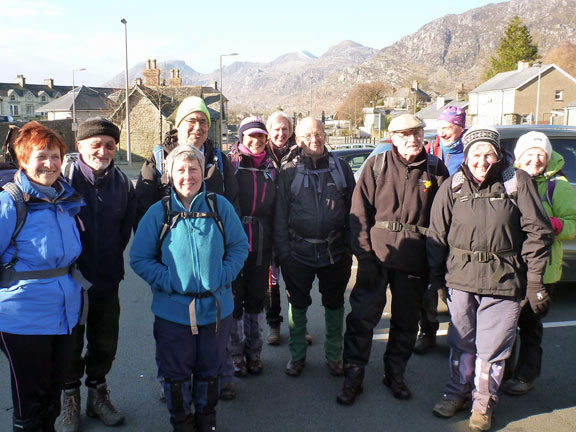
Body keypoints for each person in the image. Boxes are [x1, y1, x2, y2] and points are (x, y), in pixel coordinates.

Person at [428, 126, 554, 431]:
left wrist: (535, 281)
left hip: (503, 280)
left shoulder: (516, 181)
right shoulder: (453, 185)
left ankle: (483, 402)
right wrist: (434, 279)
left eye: (488, 154)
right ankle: (457, 392)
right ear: (466, 156)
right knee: (461, 342)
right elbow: (436, 233)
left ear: (498, 157)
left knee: (492, 348)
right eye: (475, 154)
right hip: (460, 279)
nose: (481, 161)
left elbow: (539, 232)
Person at [130, 145, 248, 432]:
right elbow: (139, 258)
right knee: (175, 375)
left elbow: (239, 246)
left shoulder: (220, 207)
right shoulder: (159, 212)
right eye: (180, 170)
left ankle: (207, 420)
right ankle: (181, 423)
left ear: (202, 173)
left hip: (216, 311)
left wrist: (223, 274)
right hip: (173, 313)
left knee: (210, 371)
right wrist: (170, 281)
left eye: (193, 169)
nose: (187, 176)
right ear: (169, 174)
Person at [337, 114, 449, 406]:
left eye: (416, 133)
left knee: (406, 321)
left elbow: (443, 220)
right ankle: (354, 374)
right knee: (362, 318)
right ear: (393, 138)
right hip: (376, 257)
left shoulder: (436, 169)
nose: (411, 139)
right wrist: (365, 254)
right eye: (404, 134)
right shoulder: (377, 165)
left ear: (423, 135)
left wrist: (434, 262)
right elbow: (358, 213)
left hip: (415, 259)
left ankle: (395, 373)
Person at [0, 122, 85, 431]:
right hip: (22, 318)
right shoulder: (11, 202)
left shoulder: (64, 199)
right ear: (23, 160)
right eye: (41, 156)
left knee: (51, 397)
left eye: (55, 156)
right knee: (29, 405)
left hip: (64, 314)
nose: (49, 164)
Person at [59, 117, 136, 431]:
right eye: (95, 145)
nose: (102, 151)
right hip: (67, 281)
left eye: (109, 145)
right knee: (69, 343)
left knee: (105, 342)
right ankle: (70, 400)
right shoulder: (61, 180)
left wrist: (108, 264)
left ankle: (97, 396)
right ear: (79, 147)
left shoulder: (122, 184)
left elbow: (123, 232)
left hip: (106, 278)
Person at [274, 117, 355, 377]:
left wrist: (349, 250)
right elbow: (279, 216)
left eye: (319, 133)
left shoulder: (341, 168)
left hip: (335, 253)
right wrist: (284, 254)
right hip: (298, 253)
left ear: (325, 135)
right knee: (297, 306)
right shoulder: (288, 172)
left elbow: (354, 212)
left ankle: (334, 356)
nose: (314, 139)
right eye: (308, 135)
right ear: (297, 140)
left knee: (334, 305)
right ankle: (297, 357)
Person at [501, 132, 576, 395]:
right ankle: (504, 371)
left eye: (540, 155)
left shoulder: (559, 186)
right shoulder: (509, 182)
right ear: (519, 158)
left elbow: (573, 224)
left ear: (548, 157)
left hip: (543, 269)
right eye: (529, 155)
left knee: (530, 325)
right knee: (506, 323)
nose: (535, 160)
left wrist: (557, 226)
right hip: (511, 266)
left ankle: (525, 376)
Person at [226, 117, 278, 377]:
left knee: (257, 298)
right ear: (241, 139)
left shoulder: (272, 168)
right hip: (234, 245)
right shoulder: (231, 165)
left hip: (261, 244)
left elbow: (278, 209)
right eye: (251, 137)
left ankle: (254, 352)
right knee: (235, 301)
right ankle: (235, 355)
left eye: (261, 137)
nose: (256, 141)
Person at [134, 96, 239, 225]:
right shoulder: (158, 160)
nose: (197, 127)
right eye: (191, 121)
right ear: (178, 125)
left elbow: (233, 206)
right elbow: (142, 210)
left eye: (203, 122)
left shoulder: (219, 160)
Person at [415, 105, 467, 354]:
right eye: (440, 128)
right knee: (427, 285)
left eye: (448, 128)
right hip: (430, 229)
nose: (443, 133)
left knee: (455, 288)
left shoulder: (471, 154)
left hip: (460, 230)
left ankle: (460, 336)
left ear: (461, 128)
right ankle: (427, 331)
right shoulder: (429, 152)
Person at [264, 112, 296, 345]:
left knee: (295, 280)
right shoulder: (260, 154)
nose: (281, 133)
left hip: (293, 227)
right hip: (266, 228)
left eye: (285, 129)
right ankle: (273, 325)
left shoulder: (300, 154)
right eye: (276, 129)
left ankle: (298, 325)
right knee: (270, 282)